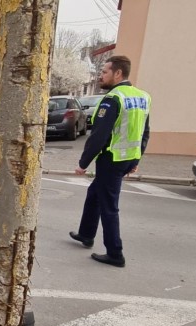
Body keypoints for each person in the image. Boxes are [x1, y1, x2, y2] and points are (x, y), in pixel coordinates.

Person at [69, 55, 150, 268]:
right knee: (94, 194)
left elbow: (99, 136)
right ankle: (86, 233)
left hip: (111, 159)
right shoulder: (142, 97)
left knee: (109, 206)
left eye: (104, 72)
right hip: (127, 157)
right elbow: (144, 132)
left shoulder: (114, 98)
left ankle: (115, 253)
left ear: (118, 73)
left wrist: (83, 163)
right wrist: (136, 158)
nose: (101, 75)